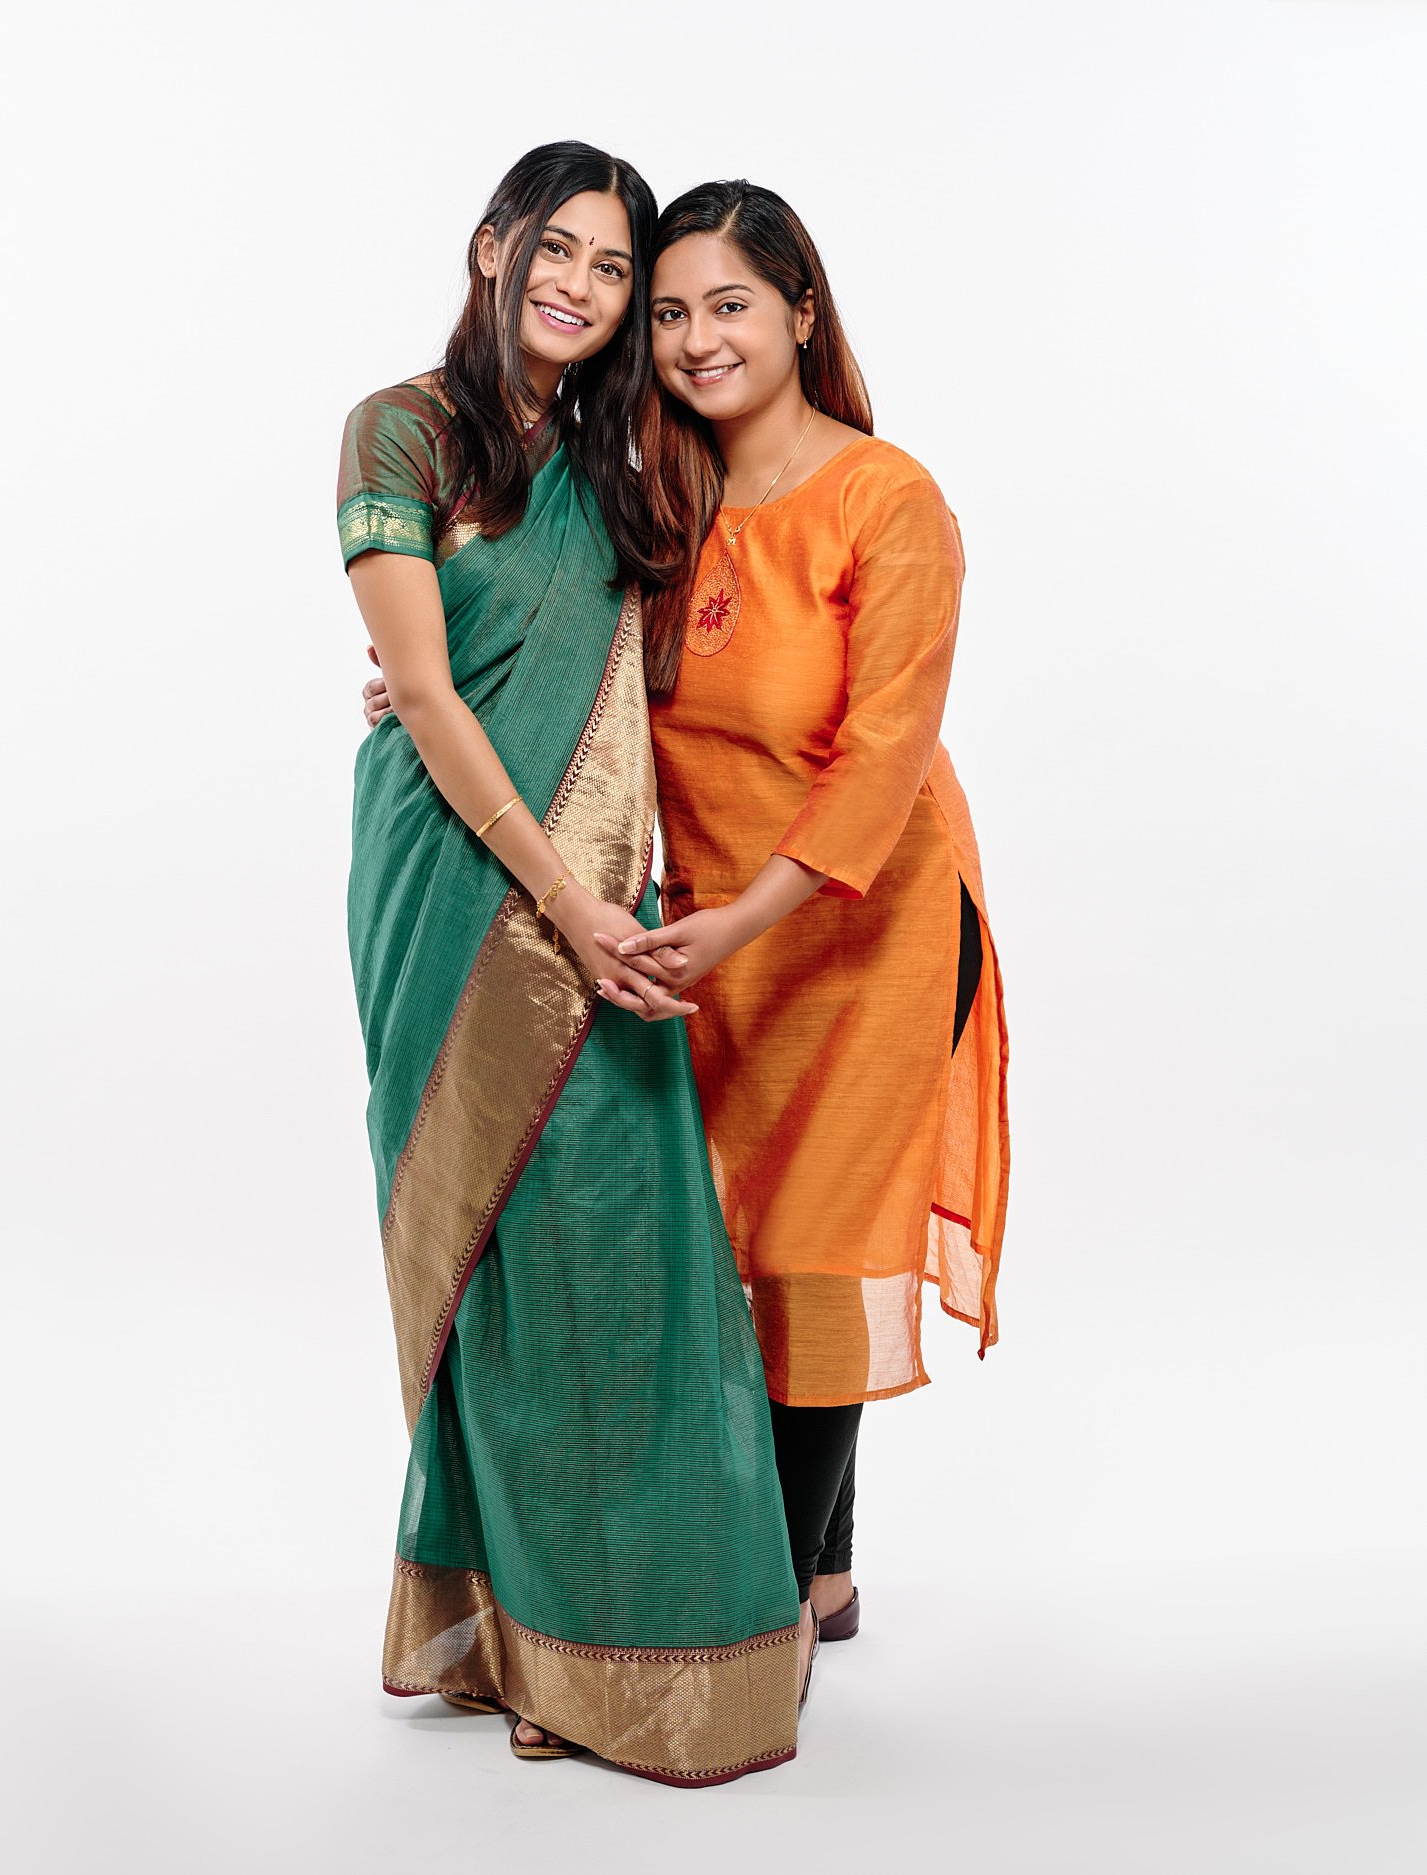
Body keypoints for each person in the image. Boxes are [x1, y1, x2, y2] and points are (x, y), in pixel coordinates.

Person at [339, 143, 800, 1786]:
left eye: (615, 271)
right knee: (486, 1255)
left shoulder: (626, 461)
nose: (586, 288)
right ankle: (517, 1635)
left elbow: (691, 643)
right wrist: (563, 900)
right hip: (455, 881)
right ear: (491, 247)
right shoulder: (399, 430)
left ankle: (608, 1632)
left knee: (609, 1258)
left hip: (611, 890)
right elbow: (434, 693)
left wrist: (629, 898)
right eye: (567, 252)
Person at [605, 179, 1011, 1653]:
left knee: (810, 1238)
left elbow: (886, 753)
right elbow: (586, 672)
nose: (696, 340)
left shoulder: (884, 498)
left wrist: (743, 921)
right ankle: (828, 1575)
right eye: (666, 314)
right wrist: (440, 684)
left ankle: (758, 1617)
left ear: (799, 311)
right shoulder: (660, 490)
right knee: (734, 1240)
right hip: (720, 933)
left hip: (867, 929)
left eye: (727, 305)